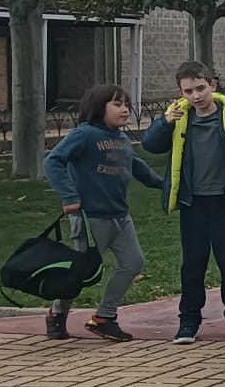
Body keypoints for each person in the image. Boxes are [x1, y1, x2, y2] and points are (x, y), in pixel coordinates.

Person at [143, 60, 225, 344]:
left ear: (212, 85)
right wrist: (165, 123)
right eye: (188, 91)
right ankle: (188, 321)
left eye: (200, 88)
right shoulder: (177, 116)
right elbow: (150, 144)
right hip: (192, 201)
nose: (195, 96)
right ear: (180, 92)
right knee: (193, 263)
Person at [43, 84, 163, 342]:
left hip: (120, 216)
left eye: (126, 105)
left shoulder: (121, 139)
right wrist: (70, 197)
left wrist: (164, 185)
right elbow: (53, 161)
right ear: (99, 108)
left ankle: (104, 317)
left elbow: (137, 166)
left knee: (133, 263)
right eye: (117, 105)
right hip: (90, 218)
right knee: (82, 271)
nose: (124, 110)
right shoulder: (84, 135)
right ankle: (56, 313)